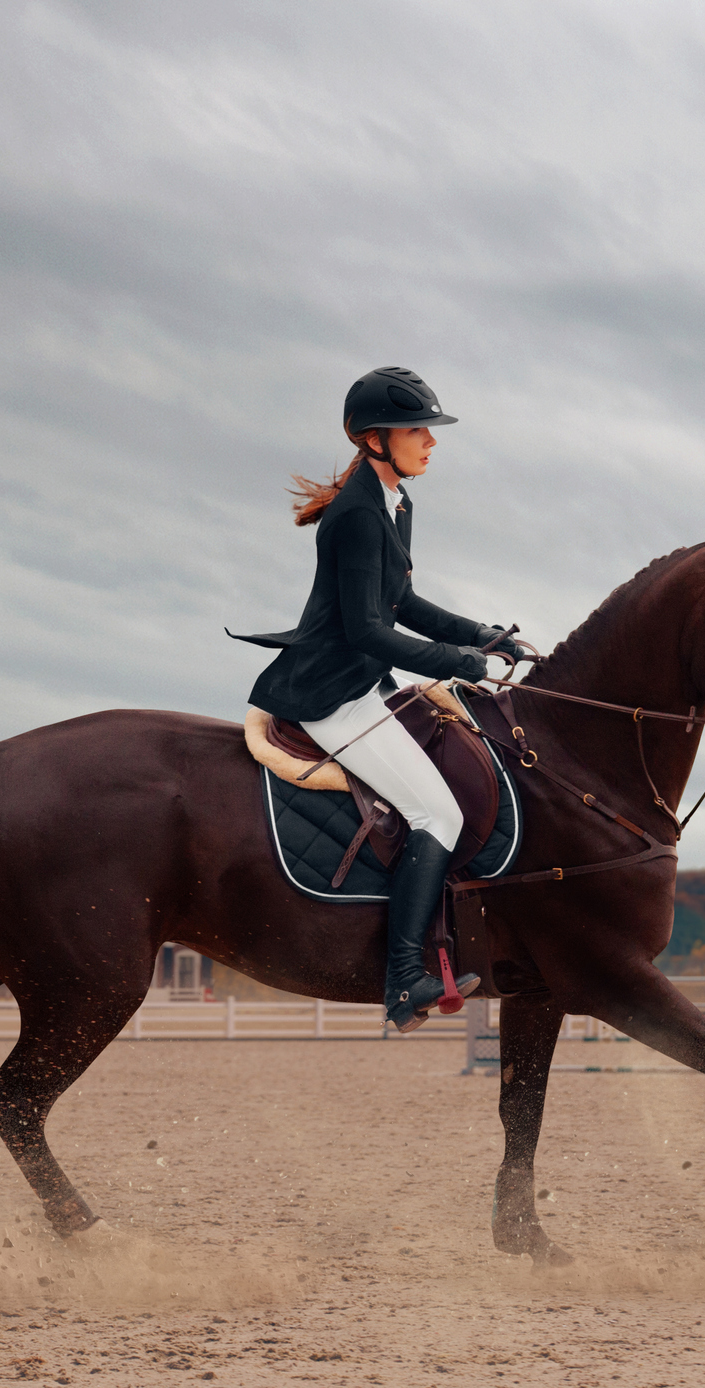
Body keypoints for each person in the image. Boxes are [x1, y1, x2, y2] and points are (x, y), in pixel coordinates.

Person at [231, 367, 520, 1032]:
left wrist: (482, 634)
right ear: (373, 439)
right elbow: (367, 628)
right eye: (417, 428)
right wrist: (461, 663)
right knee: (436, 814)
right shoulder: (357, 515)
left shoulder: (395, 502)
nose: (430, 441)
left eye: (428, 429)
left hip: (365, 682)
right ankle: (403, 981)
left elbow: (403, 603)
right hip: (331, 693)